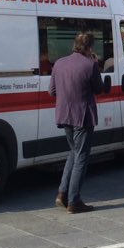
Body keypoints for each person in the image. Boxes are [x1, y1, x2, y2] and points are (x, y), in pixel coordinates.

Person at [49, 31, 103, 214]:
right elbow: (99, 88)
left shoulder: (59, 63)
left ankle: (62, 193)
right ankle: (74, 200)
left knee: (73, 153)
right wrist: (96, 64)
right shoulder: (90, 65)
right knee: (81, 157)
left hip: (64, 115)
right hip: (83, 116)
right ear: (89, 48)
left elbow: (52, 91)